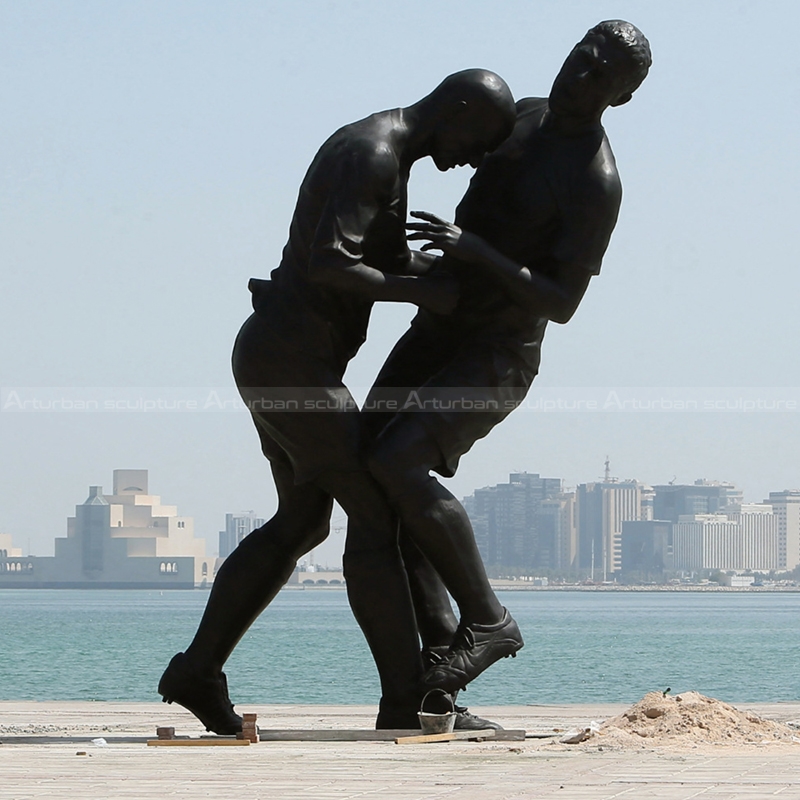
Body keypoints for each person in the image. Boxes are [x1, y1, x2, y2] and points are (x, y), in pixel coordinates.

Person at [158, 69, 517, 733]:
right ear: (459, 109)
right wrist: (423, 294)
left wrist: (464, 268)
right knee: (377, 513)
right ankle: (405, 701)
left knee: (302, 522)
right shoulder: (373, 154)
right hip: (291, 368)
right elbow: (328, 262)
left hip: (283, 360)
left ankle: (197, 671)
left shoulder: (388, 156)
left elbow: (375, 258)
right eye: (483, 139)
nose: (479, 156)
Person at [363, 20, 652, 693]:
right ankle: (437, 675)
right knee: (375, 471)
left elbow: (561, 300)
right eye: (582, 56)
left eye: (601, 73)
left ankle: (489, 620)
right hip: (440, 327)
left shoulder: (594, 182)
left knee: (394, 460)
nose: (580, 73)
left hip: (497, 354)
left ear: (620, 98)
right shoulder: (523, 115)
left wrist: (476, 252)